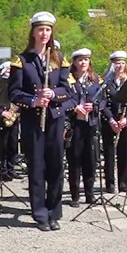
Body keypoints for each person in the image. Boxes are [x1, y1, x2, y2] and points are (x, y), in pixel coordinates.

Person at [9, 13, 74, 231]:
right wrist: (33, 100)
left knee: (56, 167)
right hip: (32, 121)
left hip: (55, 120)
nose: (44, 34)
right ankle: (39, 213)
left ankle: (54, 211)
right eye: (40, 30)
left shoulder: (59, 59)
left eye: (47, 30)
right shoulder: (21, 60)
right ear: (33, 32)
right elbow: (14, 93)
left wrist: (53, 94)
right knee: (36, 168)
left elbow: (68, 91)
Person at [65, 48, 100, 205]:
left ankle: (90, 193)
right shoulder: (68, 80)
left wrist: (94, 107)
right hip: (75, 125)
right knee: (74, 161)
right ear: (74, 63)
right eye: (80, 60)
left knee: (90, 161)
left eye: (86, 60)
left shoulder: (95, 80)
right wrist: (74, 108)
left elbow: (103, 101)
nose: (83, 62)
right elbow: (63, 100)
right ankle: (74, 195)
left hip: (90, 125)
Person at [101, 50, 127, 194]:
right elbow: (103, 103)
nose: (120, 66)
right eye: (117, 63)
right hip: (110, 122)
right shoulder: (106, 82)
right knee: (109, 154)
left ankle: (123, 183)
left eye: (122, 63)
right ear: (112, 64)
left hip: (125, 123)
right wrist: (111, 120)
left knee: (124, 154)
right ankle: (110, 184)